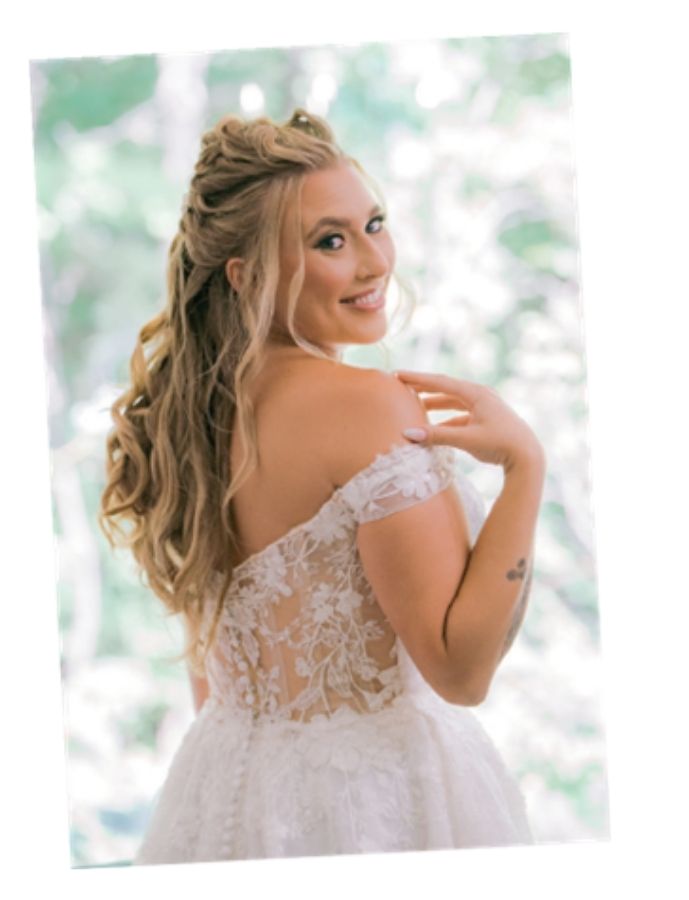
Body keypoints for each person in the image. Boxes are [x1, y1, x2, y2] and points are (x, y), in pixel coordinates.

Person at [99, 108, 546, 863]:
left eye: (375, 224)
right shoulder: (364, 404)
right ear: (245, 275)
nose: (374, 263)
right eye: (330, 241)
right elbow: (461, 671)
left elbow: (214, 682)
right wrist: (524, 469)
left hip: (226, 794)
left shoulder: (193, 421)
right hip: (378, 803)